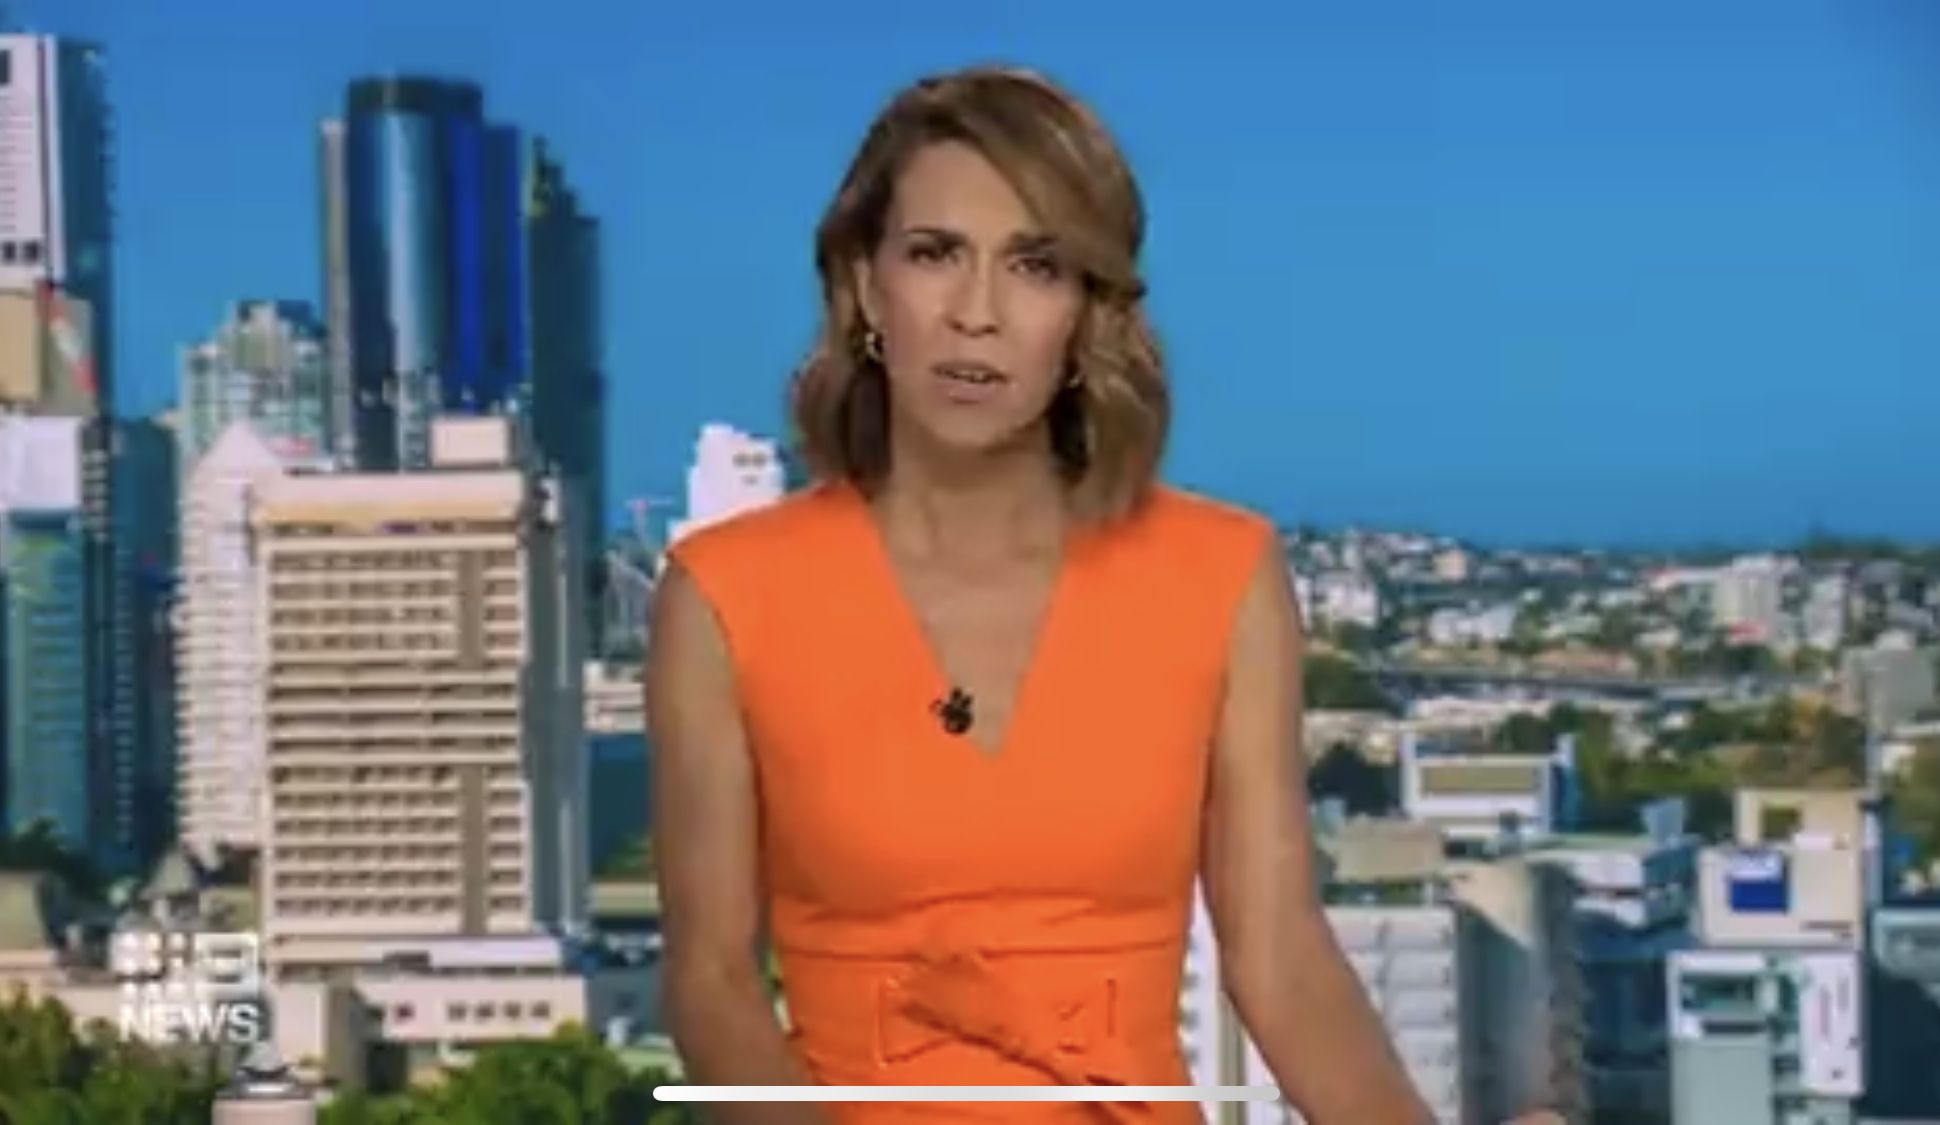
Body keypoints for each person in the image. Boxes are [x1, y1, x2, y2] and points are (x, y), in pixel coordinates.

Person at [651, 66, 1474, 1124]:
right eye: (934, 253)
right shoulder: (724, 597)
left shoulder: (1221, 575)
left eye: (1034, 266)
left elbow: (1281, 961)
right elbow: (711, 984)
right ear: (865, 285)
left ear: (1086, 311)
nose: (976, 315)